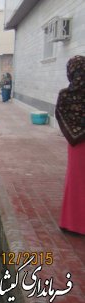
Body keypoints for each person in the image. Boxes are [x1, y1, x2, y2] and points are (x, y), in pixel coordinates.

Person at [55, 55, 85, 235]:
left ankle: (73, 223)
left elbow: (60, 112)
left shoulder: (66, 95)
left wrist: (74, 133)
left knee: (75, 181)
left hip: (77, 147)